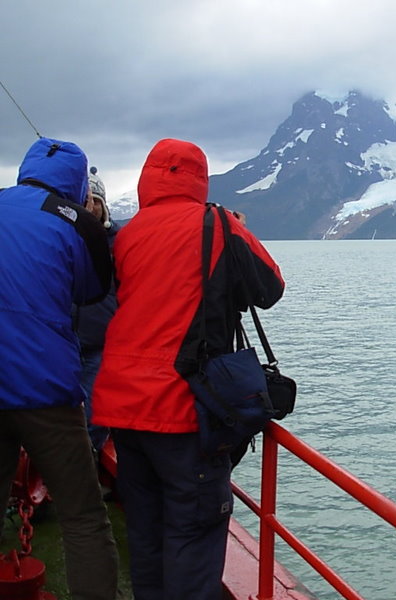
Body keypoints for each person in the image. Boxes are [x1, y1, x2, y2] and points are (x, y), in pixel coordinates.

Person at [91, 138, 285, 600]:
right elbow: (270, 287)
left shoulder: (130, 233)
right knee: (192, 537)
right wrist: (235, 230)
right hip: (183, 410)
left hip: (123, 409)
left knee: (147, 536)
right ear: (200, 178)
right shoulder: (218, 224)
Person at [0, 137, 119, 600]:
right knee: (83, 516)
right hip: (44, 386)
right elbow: (90, 292)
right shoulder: (77, 222)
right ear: (76, 180)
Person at [74, 166, 119, 452]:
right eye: (85, 202)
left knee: (95, 411)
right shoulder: (64, 238)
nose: (91, 208)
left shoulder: (120, 243)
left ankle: (89, 466)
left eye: (96, 202)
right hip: (64, 339)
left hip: (102, 343)